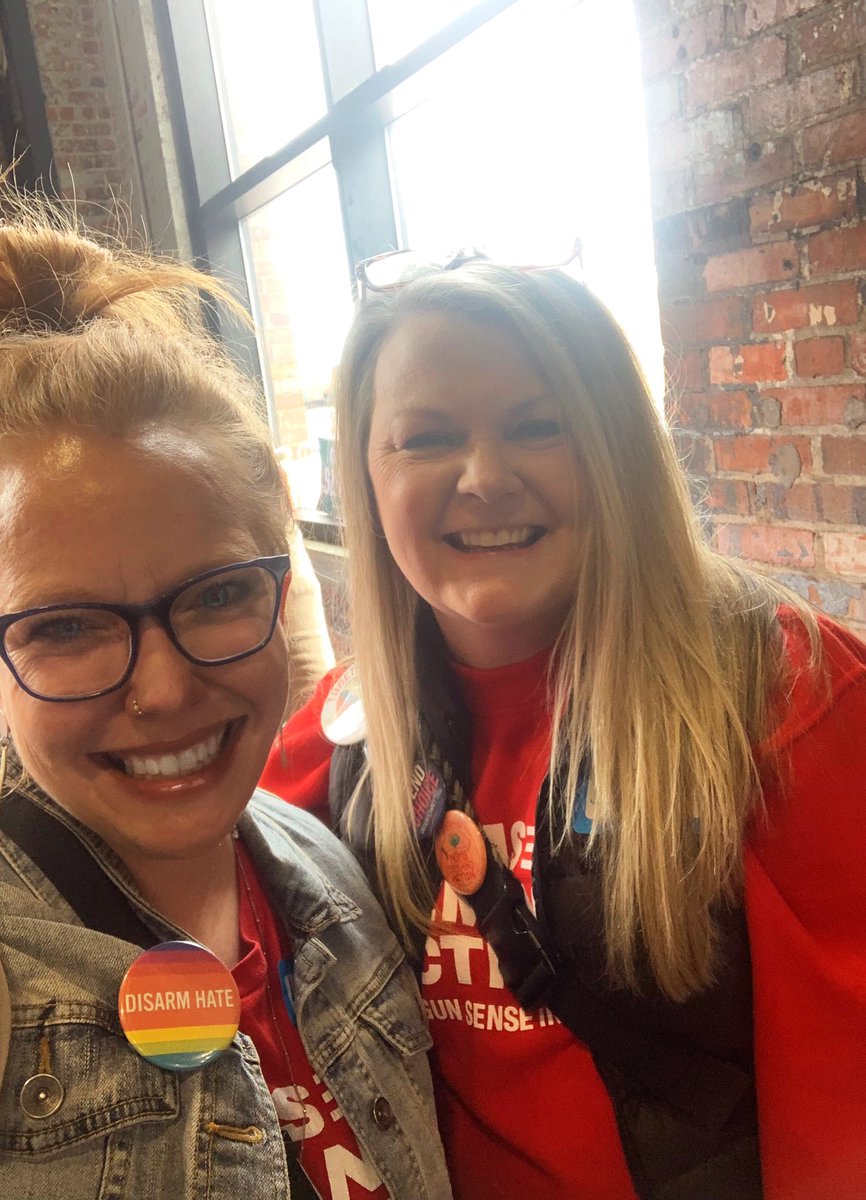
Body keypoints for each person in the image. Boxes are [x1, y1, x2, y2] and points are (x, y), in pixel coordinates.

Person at [262, 253, 866, 1200]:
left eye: (541, 428)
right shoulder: (337, 739)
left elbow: (844, 1108)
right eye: (424, 439)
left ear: (617, 452)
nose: (484, 477)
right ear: (366, 480)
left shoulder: (783, 696)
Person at [0, 201, 452, 1200]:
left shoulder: (331, 876)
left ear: (278, 587)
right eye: (65, 627)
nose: (163, 691)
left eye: (214, 596)